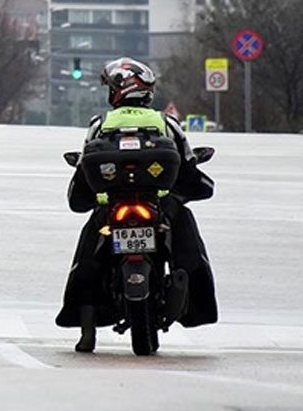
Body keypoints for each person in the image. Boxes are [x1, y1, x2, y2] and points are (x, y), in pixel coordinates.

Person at [57, 57, 218, 353]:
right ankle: (195, 308)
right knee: (188, 246)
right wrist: (199, 185)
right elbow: (187, 165)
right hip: (160, 205)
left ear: (119, 90)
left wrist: (85, 196)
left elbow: (83, 172)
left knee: (87, 257)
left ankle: (87, 331)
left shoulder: (100, 124)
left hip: (110, 208)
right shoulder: (165, 122)